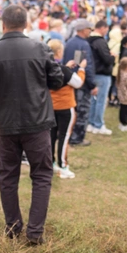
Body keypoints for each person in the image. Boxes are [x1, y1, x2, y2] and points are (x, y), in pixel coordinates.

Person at [0, 5, 64, 245]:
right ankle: (34, 233)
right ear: (26, 24)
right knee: (41, 175)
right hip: (36, 122)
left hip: (6, 124)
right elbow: (57, 81)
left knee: (8, 176)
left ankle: (14, 227)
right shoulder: (40, 48)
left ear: (3, 25)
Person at [47, 40, 86, 179]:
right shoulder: (63, 70)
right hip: (65, 106)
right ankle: (63, 166)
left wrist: (66, 67)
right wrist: (81, 69)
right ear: (59, 52)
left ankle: (50, 163)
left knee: (51, 136)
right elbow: (78, 83)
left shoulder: (46, 67)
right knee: (64, 137)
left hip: (51, 107)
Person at [63, 18, 97, 147]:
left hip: (71, 81)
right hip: (80, 83)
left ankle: (71, 134)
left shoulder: (71, 42)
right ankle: (77, 138)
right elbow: (82, 65)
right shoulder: (82, 44)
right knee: (82, 111)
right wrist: (92, 84)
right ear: (83, 30)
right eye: (89, 29)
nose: (90, 31)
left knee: (73, 110)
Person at [87, 20, 115, 135]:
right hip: (102, 74)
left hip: (93, 73)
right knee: (100, 101)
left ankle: (91, 122)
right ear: (102, 28)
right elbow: (107, 59)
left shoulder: (88, 40)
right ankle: (98, 124)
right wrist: (112, 57)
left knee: (93, 100)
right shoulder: (100, 42)